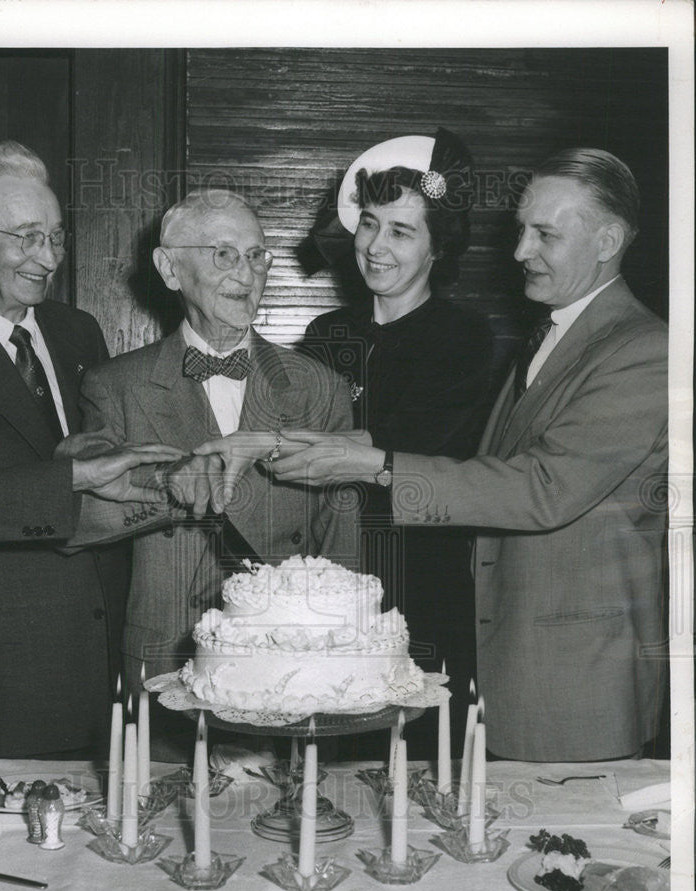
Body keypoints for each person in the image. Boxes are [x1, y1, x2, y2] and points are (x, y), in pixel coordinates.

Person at [198, 148, 668, 763]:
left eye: (544, 234)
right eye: (520, 231)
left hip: (566, 668)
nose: (521, 251)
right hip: (481, 646)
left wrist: (374, 463)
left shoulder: (642, 348)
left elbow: (542, 488)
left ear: (607, 240)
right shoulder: (551, 332)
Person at [0, 141, 181, 758]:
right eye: (27, 237)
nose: (48, 257)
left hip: (108, 653)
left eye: (56, 236)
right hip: (6, 674)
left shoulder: (75, 330)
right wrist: (72, 475)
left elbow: (65, 459)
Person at [64, 189, 357, 757]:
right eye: (223, 254)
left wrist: (340, 658)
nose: (246, 273)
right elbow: (78, 520)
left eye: (256, 255)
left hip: (291, 666)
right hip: (167, 664)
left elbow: (339, 540)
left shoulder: (320, 386)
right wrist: (170, 487)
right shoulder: (114, 386)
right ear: (170, 269)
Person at [298, 131, 494, 756]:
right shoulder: (326, 333)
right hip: (331, 583)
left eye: (402, 233)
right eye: (369, 224)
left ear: (440, 249)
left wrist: (278, 444)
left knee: (418, 767)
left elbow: (402, 447)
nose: (376, 247)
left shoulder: (463, 337)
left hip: (420, 585)